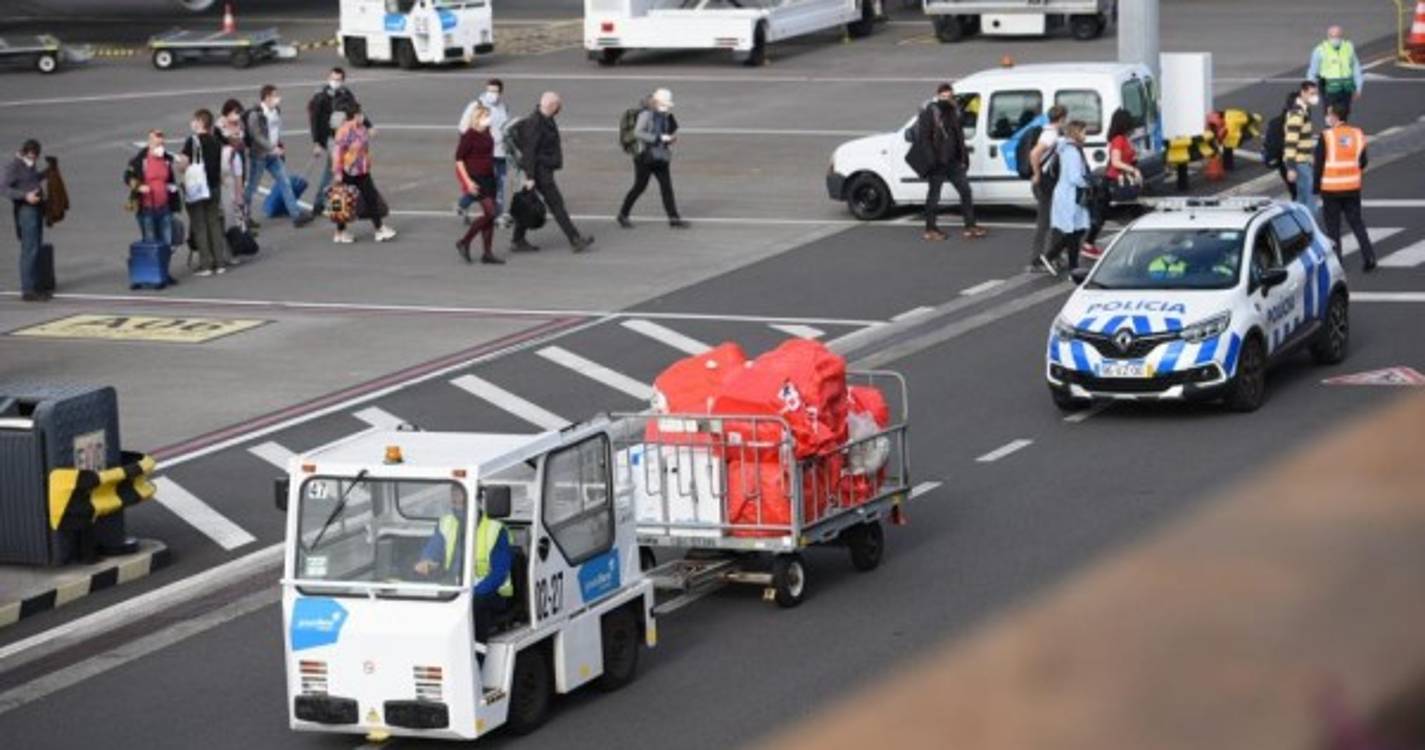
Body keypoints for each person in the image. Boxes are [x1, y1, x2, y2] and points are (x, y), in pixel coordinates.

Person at [413, 487, 513, 643]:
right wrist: (427, 561)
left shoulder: (496, 529)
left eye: (462, 499)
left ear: (478, 501)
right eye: (454, 500)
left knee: (474, 606)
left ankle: (477, 654)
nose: (457, 503)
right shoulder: (447, 522)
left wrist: (474, 593)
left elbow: (499, 573)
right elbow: (434, 548)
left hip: (489, 591)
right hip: (456, 586)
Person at [512, 91, 593, 253]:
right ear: (552, 105)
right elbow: (529, 152)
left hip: (543, 170)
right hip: (539, 172)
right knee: (557, 205)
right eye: (558, 105)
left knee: (528, 204)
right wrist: (530, 177)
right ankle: (575, 239)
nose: (560, 108)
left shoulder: (545, 119)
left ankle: (517, 239)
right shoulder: (535, 123)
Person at [916, 83, 985, 242]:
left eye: (950, 97)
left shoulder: (954, 112)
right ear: (938, 96)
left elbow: (959, 134)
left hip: (953, 161)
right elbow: (924, 138)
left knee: (966, 191)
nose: (947, 100)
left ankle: (970, 226)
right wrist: (932, 159)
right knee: (934, 196)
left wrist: (964, 157)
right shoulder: (930, 112)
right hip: (937, 162)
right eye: (944, 97)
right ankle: (930, 229)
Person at [1315, 103, 1376, 272]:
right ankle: (1369, 256)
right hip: (1352, 187)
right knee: (1357, 222)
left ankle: (1337, 261)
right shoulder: (1357, 134)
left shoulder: (1326, 136)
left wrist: (1315, 187)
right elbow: (1363, 161)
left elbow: (1318, 165)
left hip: (1331, 189)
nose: (1327, 117)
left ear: (1334, 116)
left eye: (1328, 113)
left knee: (1333, 227)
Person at [245, 84, 314, 228]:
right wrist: (272, 147)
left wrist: (279, 145)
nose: (278, 98)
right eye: (275, 95)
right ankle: (245, 217)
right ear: (267, 97)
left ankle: (296, 215)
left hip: (274, 155)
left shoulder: (276, 111)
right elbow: (256, 136)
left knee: (285, 183)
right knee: (252, 187)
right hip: (260, 156)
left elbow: (275, 130)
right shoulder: (255, 114)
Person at [617, 88, 687, 229]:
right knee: (639, 187)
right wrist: (659, 138)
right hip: (644, 157)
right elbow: (638, 133)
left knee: (666, 186)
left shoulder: (664, 115)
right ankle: (623, 214)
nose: (666, 107)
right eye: (664, 104)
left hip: (660, 155)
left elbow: (664, 132)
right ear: (656, 102)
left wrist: (668, 139)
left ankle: (673, 217)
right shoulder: (646, 114)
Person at [330, 100, 397, 244]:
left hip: (362, 169)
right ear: (354, 115)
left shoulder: (361, 128)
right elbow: (337, 152)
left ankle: (377, 228)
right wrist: (337, 171)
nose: (363, 117)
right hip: (348, 170)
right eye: (360, 114)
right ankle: (342, 232)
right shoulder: (344, 131)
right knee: (344, 201)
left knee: (369, 197)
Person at [1082, 108, 1143, 258]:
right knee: (1104, 215)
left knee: (1107, 214)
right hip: (1113, 182)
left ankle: (1089, 243)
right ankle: (1088, 244)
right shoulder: (1118, 140)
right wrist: (1133, 170)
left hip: (1118, 181)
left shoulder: (1122, 139)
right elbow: (1116, 162)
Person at [309, 67, 370, 216]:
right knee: (335, 170)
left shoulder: (346, 94)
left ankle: (332, 204)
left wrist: (368, 125)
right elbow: (315, 120)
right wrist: (317, 142)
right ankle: (324, 204)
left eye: (338, 79)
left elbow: (356, 111)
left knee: (339, 171)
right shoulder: (321, 97)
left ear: (343, 81)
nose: (335, 82)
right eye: (333, 78)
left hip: (344, 137)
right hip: (332, 139)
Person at [180, 109, 230, 276]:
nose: (192, 123)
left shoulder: (192, 141)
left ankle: (206, 264)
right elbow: (221, 165)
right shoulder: (216, 141)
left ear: (200, 122)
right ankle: (220, 261)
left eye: (195, 120)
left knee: (200, 225)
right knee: (214, 223)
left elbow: (183, 164)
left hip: (197, 188)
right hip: (214, 186)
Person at [454, 104, 505, 265]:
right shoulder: (469, 135)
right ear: (477, 118)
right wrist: (468, 182)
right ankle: (464, 241)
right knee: (490, 213)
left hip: (489, 176)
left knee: (490, 216)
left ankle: (487, 253)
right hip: (477, 178)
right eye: (485, 116)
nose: (489, 119)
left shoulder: (487, 132)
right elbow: (459, 159)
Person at [1040, 120, 1091, 275]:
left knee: (1076, 231)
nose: (1086, 135)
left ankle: (1052, 258)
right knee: (1074, 232)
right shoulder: (1072, 151)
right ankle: (1071, 267)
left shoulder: (1068, 148)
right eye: (1084, 132)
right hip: (1070, 195)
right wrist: (1089, 183)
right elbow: (1074, 177)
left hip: (1068, 194)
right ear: (1077, 133)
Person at [458, 79, 510, 226]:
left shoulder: (503, 107)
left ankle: (496, 215)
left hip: (501, 153)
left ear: (500, 92)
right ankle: (463, 204)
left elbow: (506, 128)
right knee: (484, 187)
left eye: (495, 91)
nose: (492, 94)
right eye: (490, 90)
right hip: (485, 155)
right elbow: (463, 128)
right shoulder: (476, 106)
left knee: (499, 185)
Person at [3, 139, 49, 301]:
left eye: (36, 156)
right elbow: (4, 187)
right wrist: (25, 196)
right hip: (25, 210)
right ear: (23, 152)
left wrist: (45, 173)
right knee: (29, 250)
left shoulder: (30, 164)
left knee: (36, 247)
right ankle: (28, 289)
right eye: (31, 156)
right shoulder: (15, 166)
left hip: (36, 209)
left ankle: (35, 285)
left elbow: (31, 179)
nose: (33, 159)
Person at [124, 130, 180, 250]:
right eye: (157, 144)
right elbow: (127, 177)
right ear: (149, 142)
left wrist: (172, 190)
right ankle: (154, 267)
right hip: (147, 208)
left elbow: (170, 180)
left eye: (162, 144)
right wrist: (139, 187)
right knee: (151, 243)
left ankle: (164, 267)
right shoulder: (139, 160)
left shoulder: (166, 160)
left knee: (167, 242)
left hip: (165, 208)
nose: (160, 147)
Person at [1027, 104, 1067, 271]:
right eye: (1065, 118)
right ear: (1061, 118)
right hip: (1045, 183)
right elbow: (1034, 153)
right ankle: (1037, 260)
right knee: (1044, 222)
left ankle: (1053, 255)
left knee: (1056, 220)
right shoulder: (1050, 135)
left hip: (1050, 182)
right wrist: (1037, 174)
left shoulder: (1053, 133)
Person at [1307, 25, 1363, 118]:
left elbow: (1356, 69)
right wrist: (1311, 90)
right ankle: (1330, 131)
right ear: (1328, 36)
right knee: (1330, 114)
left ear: (1342, 36)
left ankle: (1341, 130)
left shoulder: (1348, 47)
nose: (1335, 39)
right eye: (1332, 36)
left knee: (1344, 113)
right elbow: (1313, 71)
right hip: (1328, 88)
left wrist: (1358, 88)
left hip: (1346, 87)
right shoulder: (1320, 50)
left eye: (1338, 36)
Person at [1283, 81, 1320, 214]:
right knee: (1310, 198)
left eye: (1316, 93)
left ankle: (1299, 227)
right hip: (1299, 162)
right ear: (1303, 93)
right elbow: (1291, 142)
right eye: (1312, 93)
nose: (1315, 97)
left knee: (1303, 198)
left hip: (1303, 160)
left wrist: (1310, 156)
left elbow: (1303, 139)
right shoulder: (1297, 114)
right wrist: (1291, 167)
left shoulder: (1304, 110)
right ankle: (1309, 229)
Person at [217, 99, 250, 238]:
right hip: (227, 160)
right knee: (230, 196)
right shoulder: (220, 126)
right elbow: (223, 141)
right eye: (235, 113)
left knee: (240, 189)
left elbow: (244, 139)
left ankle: (242, 224)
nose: (237, 116)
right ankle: (233, 227)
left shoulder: (240, 124)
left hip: (239, 157)